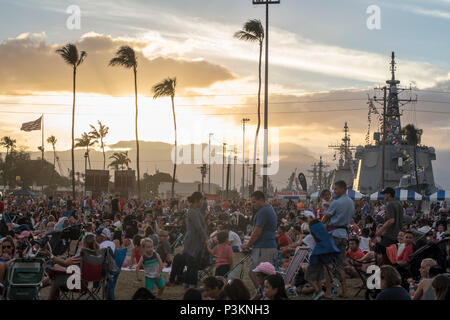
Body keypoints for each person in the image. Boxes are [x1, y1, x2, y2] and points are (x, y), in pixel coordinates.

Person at [322, 180, 354, 299]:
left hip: (333, 234)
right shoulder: (351, 202)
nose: (334, 191)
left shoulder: (336, 202)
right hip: (343, 235)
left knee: (328, 264)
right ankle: (344, 291)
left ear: (342, 189)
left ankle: (329, 292)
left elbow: (326, 218)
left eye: (336, 189)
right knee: (340, 265)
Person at [241, 191, 277, 289]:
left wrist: (247, 245)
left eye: (254, 202)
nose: (252, 205)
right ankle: (262, 293)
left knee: (257, 274)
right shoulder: (268, 209)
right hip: (266, 246)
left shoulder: (263, 211)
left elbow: (257, 232)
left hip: (263, 247)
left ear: (261, 200)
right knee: (259, 274)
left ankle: (262, 294)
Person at [183, 192, 209, 289]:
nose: (203, 202)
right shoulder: (192, 212)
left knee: (192, 265)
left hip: (195, 241)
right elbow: (199, 228)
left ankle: (187, 285)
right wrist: (206, 239)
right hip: (193, 242)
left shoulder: (195, 211)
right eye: (201, 200)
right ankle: (191, 287)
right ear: (197, 201)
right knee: (193, 265)